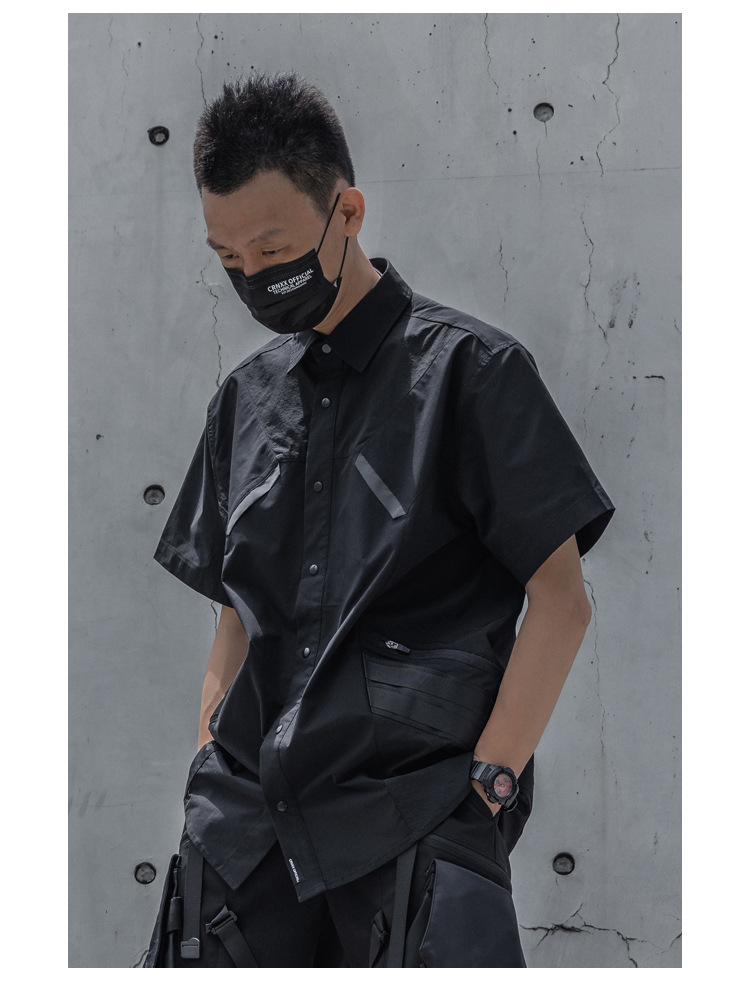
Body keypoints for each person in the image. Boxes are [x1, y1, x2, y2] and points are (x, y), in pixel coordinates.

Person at [143, 72, 614, 969]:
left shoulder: (474, 373)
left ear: (347, 212)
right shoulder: (243, 401)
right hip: (245, 841)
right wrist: (207, 762)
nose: (253, 276)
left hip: (412, 824)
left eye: (273, 248)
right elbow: (235, 614)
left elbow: (562, 600)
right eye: (228, 257)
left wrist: (489, 786)